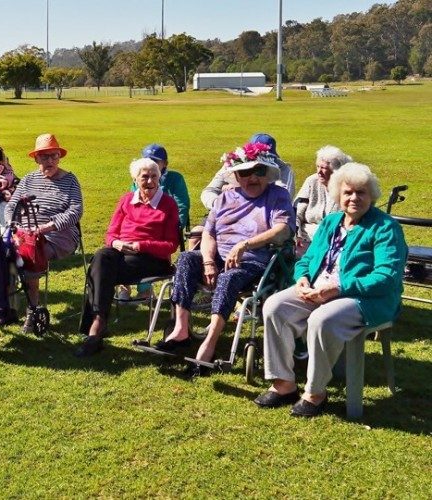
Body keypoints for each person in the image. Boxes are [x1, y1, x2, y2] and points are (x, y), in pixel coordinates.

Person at [256, 163, 406, 417]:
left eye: (361, 193)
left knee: (321, 319)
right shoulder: (331, 222)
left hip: (365, 298)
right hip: (318, 289)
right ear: (338, 195)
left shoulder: (385, 228)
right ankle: (283, 383)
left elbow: (387, 277)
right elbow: (306, 258)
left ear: (372, 196)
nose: (354, 198)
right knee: (274, 306)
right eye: (348, 193)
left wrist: (338, 288)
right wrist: (302, 277)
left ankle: (315, 392)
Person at [154, 142, 295, 377]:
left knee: (229, 278)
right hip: (219, 256)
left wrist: (245, 244)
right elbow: (209, 232)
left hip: (253, 260)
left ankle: (209, 344)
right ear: (236, 176)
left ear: (267, 173)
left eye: (258, 171)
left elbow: (283, 229)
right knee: (188, 257)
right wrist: (208, 261)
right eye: (245, 173)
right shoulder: (226, 197)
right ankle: (181, 330)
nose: (252, 178)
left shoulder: (277, 195)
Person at [76, 158, 180, 357]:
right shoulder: (126, 200)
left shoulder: (168, 204)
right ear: (135, 179)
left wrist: (141, 245)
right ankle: (98, 322)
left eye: (154, 176)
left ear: (160, 178)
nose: (150, 181)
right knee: (100, 256)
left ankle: (95, 328)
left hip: (153, 259)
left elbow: (171, 245)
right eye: (144, 177)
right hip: (122, 253)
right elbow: (110, 234)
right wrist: (117, 243)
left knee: (101, 271)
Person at [4, 133, 83, 333]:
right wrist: (15, 226)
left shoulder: (70, 180)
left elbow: (75, 212)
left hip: (59, 234)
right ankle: (6, 306)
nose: (50, 161)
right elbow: (11, 205)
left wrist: (45, 227)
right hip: (25, 232)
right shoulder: (29, 179)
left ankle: (32, 312)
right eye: (45, 157)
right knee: (1, 253)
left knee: (30, 255)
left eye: (54, 156)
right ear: (36, 158)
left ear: (59, 157)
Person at [116, 143, 190, 302]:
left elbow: (182, 204)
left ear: (165, 164)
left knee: (144, 251)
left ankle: (144, 290)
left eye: (156, 161)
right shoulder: (139, 178)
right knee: (123, 247)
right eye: (147, 159)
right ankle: (124, 286)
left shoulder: (175, 178)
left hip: (163, 227)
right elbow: (132, 205)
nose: (151, 163)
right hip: (138, 231)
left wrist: (177, 226)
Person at [200, 132, 295, 210]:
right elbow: (209, 190)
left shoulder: (283, 168)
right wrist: (220, 206)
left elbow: (284, 198)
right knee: (197, 231)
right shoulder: (234, 164)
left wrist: (236, 188)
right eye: (258, 156)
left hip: (265, 213)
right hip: (225, 211)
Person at [295, 145, 353, 252]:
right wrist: (296, 235)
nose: (319, 172)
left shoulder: (347, 189)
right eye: (317, 167)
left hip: (333, 243)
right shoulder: (312, 181)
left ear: (336, 171)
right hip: (304, 239)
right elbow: (296, 213)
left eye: (324, 168)